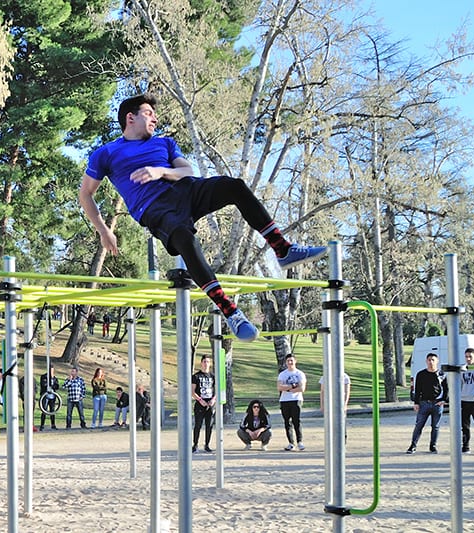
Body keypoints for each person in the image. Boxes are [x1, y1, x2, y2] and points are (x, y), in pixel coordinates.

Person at [79, 94, 326, 342]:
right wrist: (104, 230)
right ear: (130, 118)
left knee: (235, 186)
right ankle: (231, 311)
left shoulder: (164, 143)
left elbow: (187, 170)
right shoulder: (106, 153)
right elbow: (86, 195)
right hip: (154, 208)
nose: (155, 117)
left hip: (186, 189)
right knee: (184, 238)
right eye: (148, 113)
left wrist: (160, 171)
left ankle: (282, 249)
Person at [407, 352, 448, 454]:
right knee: (419, 425)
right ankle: (413, 445)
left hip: (437, 404)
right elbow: (418, 390)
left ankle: (433, 446)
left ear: (437, 361)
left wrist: (443, 400)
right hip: (424, 403)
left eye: (433, 360)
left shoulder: (441, 375)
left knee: (435, 426)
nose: (431, 362)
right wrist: (416, 403)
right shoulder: (421, 374)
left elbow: (447, 389)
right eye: (429, 360)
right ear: (426, 361)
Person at [277, 354, 307, 451]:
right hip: (284, 400)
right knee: (287, 422)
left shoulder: (300, 374)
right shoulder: (282, 374)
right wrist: (293, 386)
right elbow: (279, 387)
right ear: (286, 362)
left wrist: (288, 387)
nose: (290, 363)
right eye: (288, 361)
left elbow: (302, 388)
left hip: (296, 400)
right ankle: (291, 443)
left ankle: (300, 442)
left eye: (291, 360)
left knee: (296, 421)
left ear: (295, 361)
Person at [191, 354, 216, 453]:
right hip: (200, 404)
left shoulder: (213, 376)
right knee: (198, 425)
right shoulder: (196, 376)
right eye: (204, 362)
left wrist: (213, 399)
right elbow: (192, 391)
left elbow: (217, 390)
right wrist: (200, 400)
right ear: (201, 363)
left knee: (209, 425)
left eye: (208, 362)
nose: (206, 364)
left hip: (210, 404)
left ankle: (207, 445)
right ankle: (195, 444)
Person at [319, 372, 351, 440]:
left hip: (340, 402)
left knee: (341, 423)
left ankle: (342, 441)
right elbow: (322, 391)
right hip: (329, 402)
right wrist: (322, 405)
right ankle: (330, 442)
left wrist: (345, 404)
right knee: (330, 423)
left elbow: (347, 391)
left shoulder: (345, 376)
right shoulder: (325, 376)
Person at [460, 348, 474, 453]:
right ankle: (466, 446)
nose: (468, 359)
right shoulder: (463, 369)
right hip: (464, 400)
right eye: (466, 356)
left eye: (470, 356)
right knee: (465, 426)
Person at [39, 365, 60, 431]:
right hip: (45, 396)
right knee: (44, 410)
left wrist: (53, 383)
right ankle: (42, 425)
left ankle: (53, 425)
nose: (51, 372)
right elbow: (43, 385)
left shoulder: (55, 378)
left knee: (52, 411)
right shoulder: (43, 377)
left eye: (52, 370)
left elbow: (57, 386)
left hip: (52, 397)